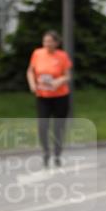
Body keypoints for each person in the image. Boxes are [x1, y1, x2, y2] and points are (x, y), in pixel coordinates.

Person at [26, 30, 72, 168]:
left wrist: (59, 81)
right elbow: (30, 71)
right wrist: (32, 85)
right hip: (43, 96)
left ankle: (57, 154)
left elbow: (68, 75)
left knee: (58, 127)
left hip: (60, 97)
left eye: (50, 41)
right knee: (43, 126)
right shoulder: (37, 53)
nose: (47, 44)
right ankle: (46, 152)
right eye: (45, 41)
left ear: (56, 43)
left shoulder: (62, 56)